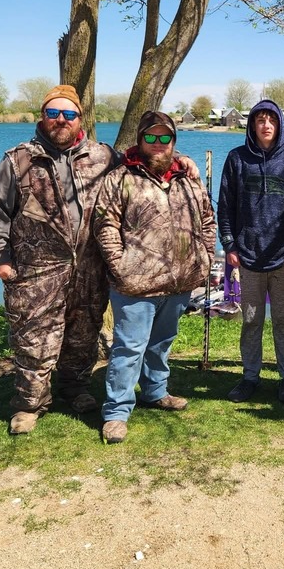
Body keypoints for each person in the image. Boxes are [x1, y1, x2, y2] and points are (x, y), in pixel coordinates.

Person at [0, 84, 119, 435]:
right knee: (33, 338)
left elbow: (138, 176)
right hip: (34, 268)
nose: (61, 120)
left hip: (90, 266)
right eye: (54, 113)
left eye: (69, 114)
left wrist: (180, 161)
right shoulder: (19, 159)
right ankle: (29, 404)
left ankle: (76, 389)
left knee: (83, 333)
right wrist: (0, 256)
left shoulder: (103, 156)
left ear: (80, 118)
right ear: (42, 117)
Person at [93, 111, 215, 444]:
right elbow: (105, 226)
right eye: (151, 137)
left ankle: (155, 391)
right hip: (135, 284)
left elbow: (207, 218)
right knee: (129, 348)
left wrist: (203, 257)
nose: (158, 144)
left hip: (179, 282)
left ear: (173, 141)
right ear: (140, 139)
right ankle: (117, 411)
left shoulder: (188, 178)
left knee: (161, 345)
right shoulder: (120, 177)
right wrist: (120, 265)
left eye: (165, 138)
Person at [218, 99, 284, 404]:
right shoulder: (236, 159)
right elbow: (225, 206)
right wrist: (230, 244)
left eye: (271, 120)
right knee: (251, 320)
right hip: (248, 256)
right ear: (252, 125)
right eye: (260, 120)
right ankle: (250, 376)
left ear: (280, 124)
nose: (266, 125)